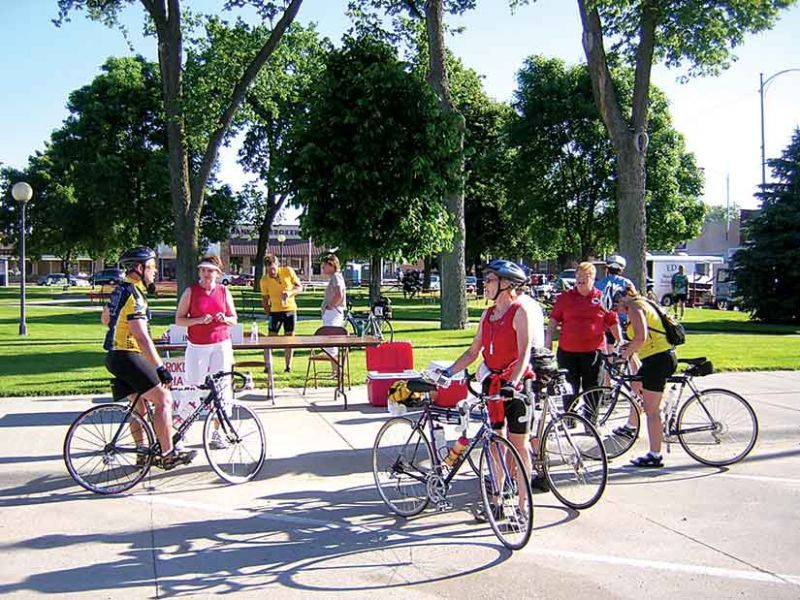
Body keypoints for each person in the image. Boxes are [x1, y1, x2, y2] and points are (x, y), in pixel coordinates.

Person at [441, 259, 535, 515]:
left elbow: (525, 351)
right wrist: (448, 372)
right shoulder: (487, 315)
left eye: (491, 280)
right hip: (492, 384)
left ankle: (523, 504)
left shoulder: (519, 312)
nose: (486, 284)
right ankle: (497, 501)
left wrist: (513, 382)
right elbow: (473, 352)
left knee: (519, 444)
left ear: (506, 284)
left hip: (516, 384)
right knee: (495, 444)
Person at [102, 246, 196, 469]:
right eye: (151, 267)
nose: (154, 272)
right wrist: (160, 367)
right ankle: (168, 454)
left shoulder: (120, 290)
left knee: (139, 408)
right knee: (164, 399)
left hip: (114, 355)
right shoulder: (135, 296)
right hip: (128, 354)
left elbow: (105, 318)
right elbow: (142, 337)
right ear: (139, 268)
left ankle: (142, 453)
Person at [610, 284, 678, 468]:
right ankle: (631, 426)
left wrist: (622, 356)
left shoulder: (634, 306)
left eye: (616, 305)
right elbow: (642, 339)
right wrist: (627, 348)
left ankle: (655, 455)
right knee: (636, 387)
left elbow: (641, 337)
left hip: (658, 360)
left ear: (623, 298)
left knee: (651, 411)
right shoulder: (642, 303)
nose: (618, 310)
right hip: (655, 358)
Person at [175, 255, 237, 450]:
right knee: (193, 387)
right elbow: (179, 319)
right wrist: (199, 320)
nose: (206, 274)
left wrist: (224, 318)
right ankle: (181, 432)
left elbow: (233, 318)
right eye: (203, 270)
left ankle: (218, 432)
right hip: (198, 346)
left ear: (218, 273)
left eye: (210, 271)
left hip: (221, 344)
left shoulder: (223, 291)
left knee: (222, 389)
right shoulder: (191, 292)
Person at [546, 261, 622, 414]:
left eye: (585, 277)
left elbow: (613, 321)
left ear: (593, 279)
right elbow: (554, 319)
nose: (580, 280)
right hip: (567, 351)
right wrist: (548, 340)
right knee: (569, 386)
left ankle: (591, 421)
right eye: (578, 276)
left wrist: (620, 341)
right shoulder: (565, 297)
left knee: (593, 387)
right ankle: (569, 417)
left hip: (593, 352)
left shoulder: (600, 298)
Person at [259, 254, 303, 372]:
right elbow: (265, 299)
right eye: (269, 270)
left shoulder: (287, 271)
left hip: (290, 310)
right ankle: (267, 366)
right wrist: (268, 313)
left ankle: (288, 366)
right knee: (270, 340)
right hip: (275, 312)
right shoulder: (264, 280)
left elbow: (299, 287)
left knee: (289, 338)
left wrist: (289, 293)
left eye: (273, 269)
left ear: (277, 265)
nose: (271, 272)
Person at [320, 253, 347, 370]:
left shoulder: (336, 277)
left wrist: (331, 305)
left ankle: (337, 370)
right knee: (330, 342)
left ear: (331, 265)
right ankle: (335, 370)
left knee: (331, 340)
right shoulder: (335, 277)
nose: (323, 269)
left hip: (333, 313)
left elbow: (339, 294)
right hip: (332, 313)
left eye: (324, 266)